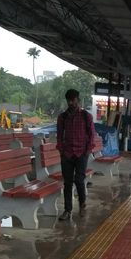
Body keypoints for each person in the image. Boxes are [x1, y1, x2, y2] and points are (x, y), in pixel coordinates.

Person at [56, 88, 96, 220]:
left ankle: (82, 205)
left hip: (81, 153)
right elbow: (59, 135)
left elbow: (91, 135)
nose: (71, 103)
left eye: (73, 100)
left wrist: (88, 150)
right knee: (67, 183)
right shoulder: (62, 117)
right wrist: (61, 150)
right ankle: (67, 210)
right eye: (69, 101)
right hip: (67, 154)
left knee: (79, 180)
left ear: (77, 100)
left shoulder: (86, 116)